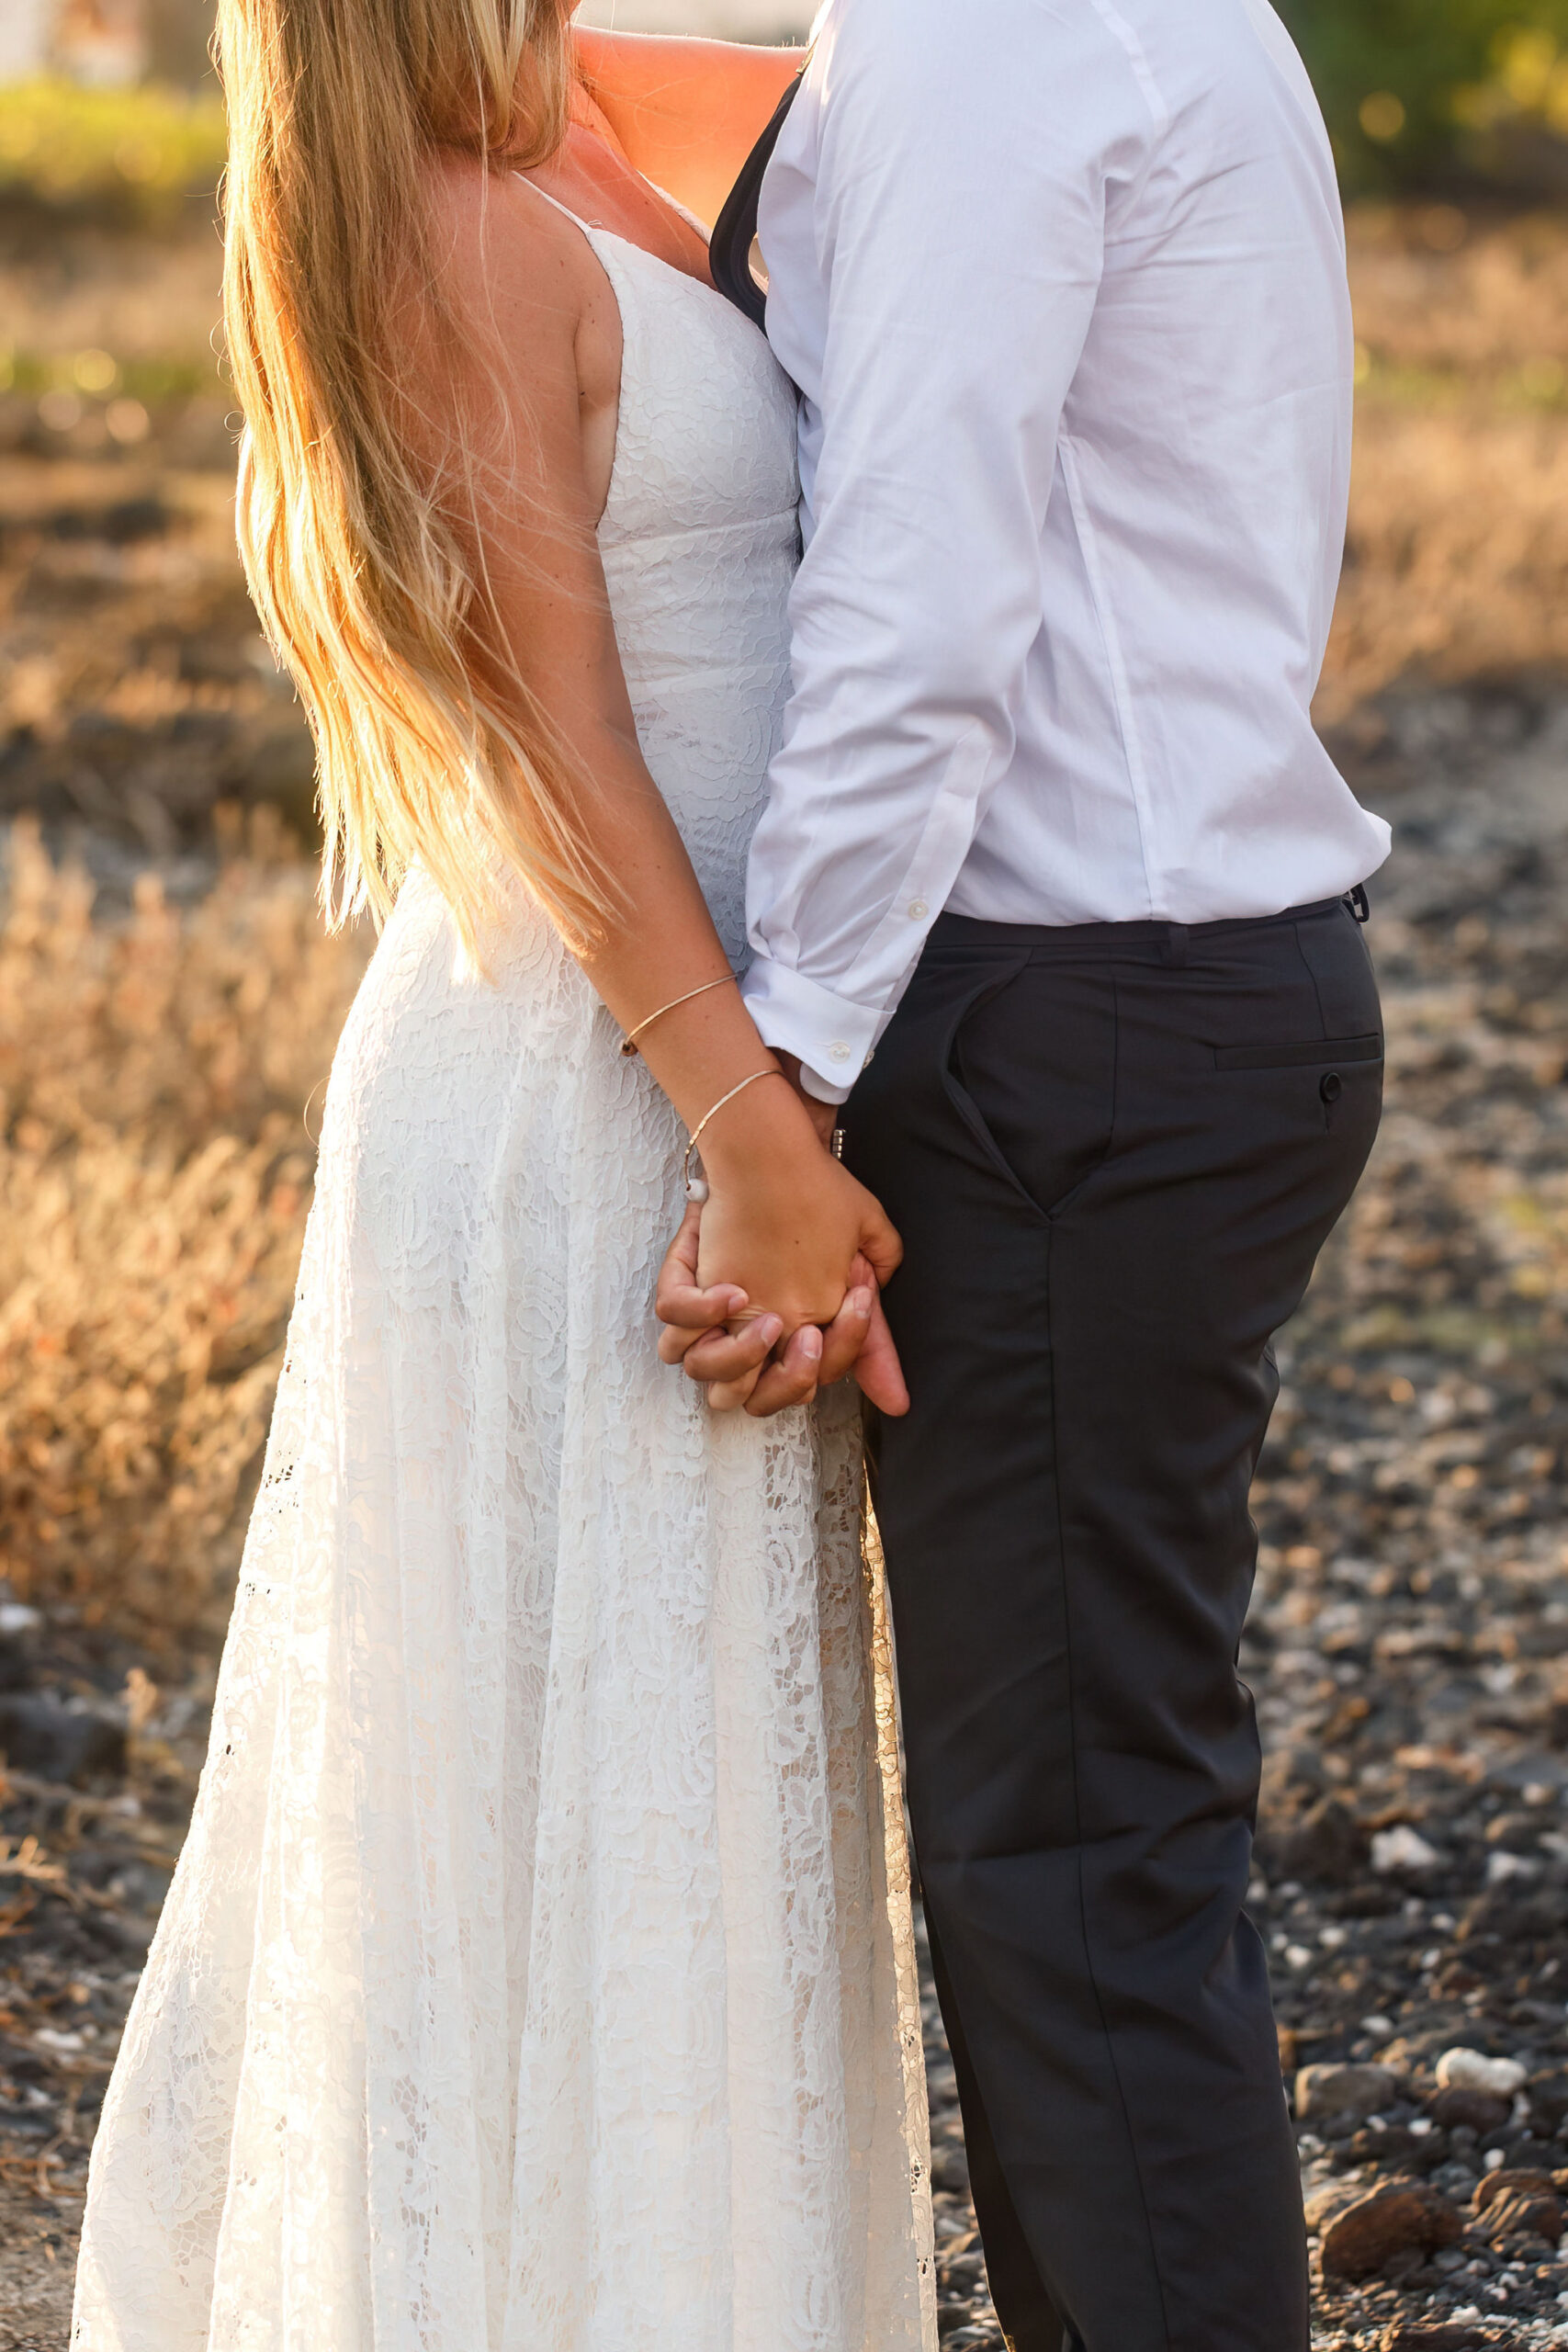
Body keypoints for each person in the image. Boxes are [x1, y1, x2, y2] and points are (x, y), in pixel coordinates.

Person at [71, 8, 936, 2346]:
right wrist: (747, 1127)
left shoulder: (576, 115)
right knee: (565, 1817)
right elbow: (554, 745)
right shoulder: (449, 225)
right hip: (591, 1098)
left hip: (704, 1078)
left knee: (691, 1803)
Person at [663, 2, 1393, 2346]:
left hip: (1076, 1011)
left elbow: (926, 589)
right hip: (1160, 993)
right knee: (1074, 1848)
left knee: (1072, 1862)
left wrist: (772, 1076)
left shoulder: (983, 33)